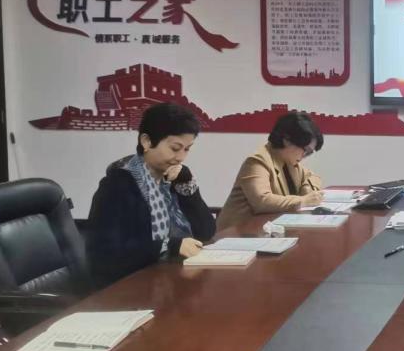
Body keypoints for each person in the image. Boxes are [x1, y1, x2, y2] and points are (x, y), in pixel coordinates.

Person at [87, 103, 216, 288]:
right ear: (146, 141)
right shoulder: (118, 184)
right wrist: (171, 245)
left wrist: (186, 182)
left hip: (167, 279)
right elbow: (108, 253)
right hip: (127, 288)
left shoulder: (173, 177)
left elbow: (206, 231)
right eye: (175, 148)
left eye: (187, 149)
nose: (181, 157)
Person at [216, 111, 325, 231]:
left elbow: (312, 177)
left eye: (309, 153)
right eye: (305, 150)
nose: (305, 156)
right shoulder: (258, 161)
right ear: (287, 140)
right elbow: (262, 201)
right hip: (236, 233)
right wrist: (303, 200)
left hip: (265, 231)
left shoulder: (289, 161)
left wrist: (307, 190)